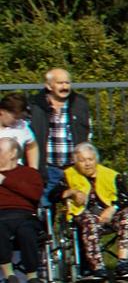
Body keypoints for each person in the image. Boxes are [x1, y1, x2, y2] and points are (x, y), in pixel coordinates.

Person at [61, 144, 128, 281]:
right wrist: (72, 192)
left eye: (90, 159)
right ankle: (97, 267)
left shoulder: (111, 175)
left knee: (127, 217)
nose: (87, 164)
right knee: (89, 222)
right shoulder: (68, 175)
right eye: (82, 160)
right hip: (84, 216)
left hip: (110, 215)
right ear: (75, 162)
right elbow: (54, 195)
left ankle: (123, 263)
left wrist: (112, 209)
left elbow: (126, 198)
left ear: (96, 160)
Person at [29, 68, 88, 203]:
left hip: (73, 167)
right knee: (45, 207)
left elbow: (87, 133)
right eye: (60, 83)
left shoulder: (79, 103)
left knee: (78, 208)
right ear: (49, 85)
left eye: (67, 83)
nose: (64, 87)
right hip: (47, 168)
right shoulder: (35, 106)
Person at [0, 138, 50, 283]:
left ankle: (32, 278)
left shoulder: (30, 173)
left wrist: (5, 180)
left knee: (26, 232)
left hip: (25, 215)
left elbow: (35, 194)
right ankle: (10, 276)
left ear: (13, 153)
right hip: (1, 217)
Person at [0, 95, 39, 172]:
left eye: (19, 117)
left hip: (17, 174)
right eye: (14, 117)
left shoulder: (22, 126)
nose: (17, 121)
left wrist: (33, 169)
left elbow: (32, 146)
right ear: (2, 111)